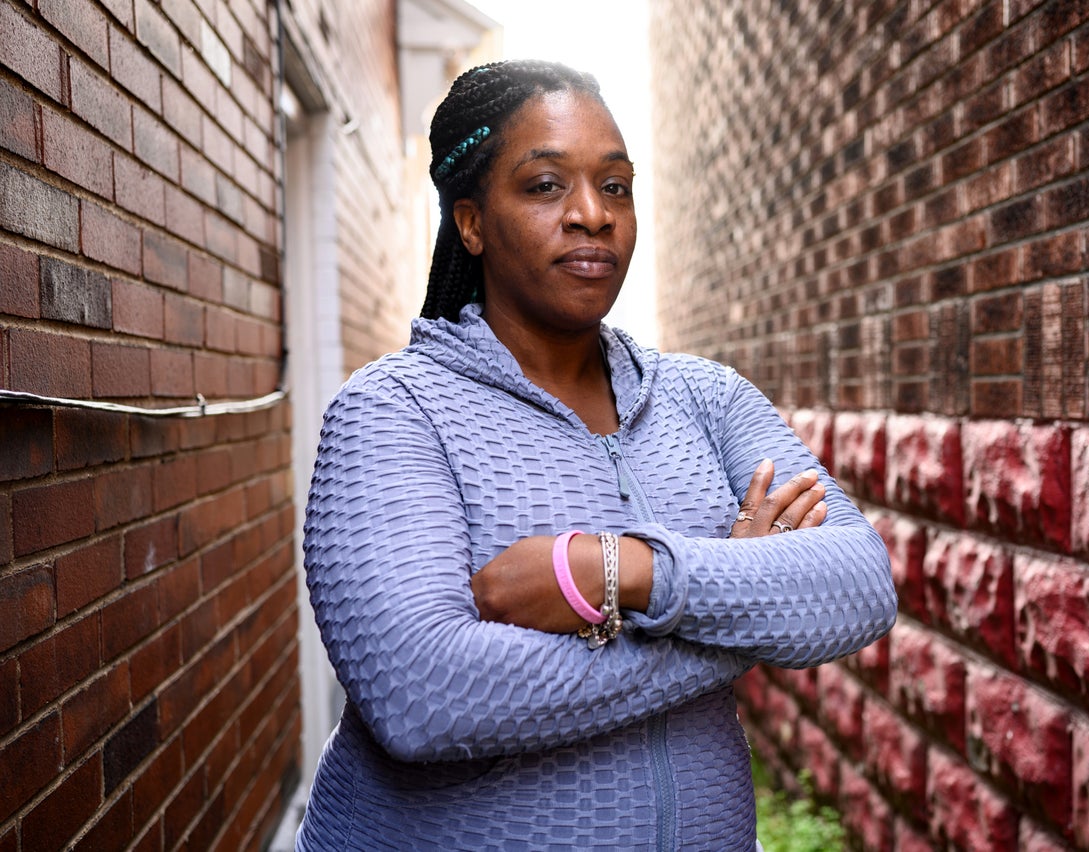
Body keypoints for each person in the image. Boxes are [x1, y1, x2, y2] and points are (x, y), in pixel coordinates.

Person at [297, 59, 896, 850]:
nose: (592, 214)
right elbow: (424, 696)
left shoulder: (705, 399)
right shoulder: (395, 413)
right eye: (546, 185)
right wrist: (737, 600)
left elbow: (858, 583)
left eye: (615, 186)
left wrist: (617, 571)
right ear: (471, 222)